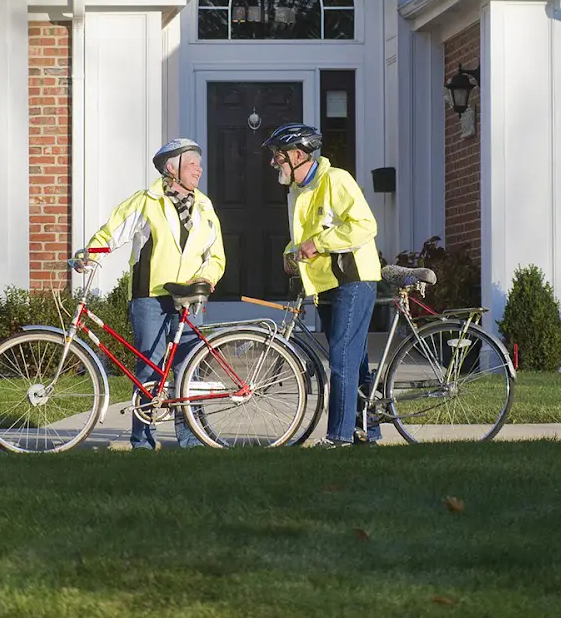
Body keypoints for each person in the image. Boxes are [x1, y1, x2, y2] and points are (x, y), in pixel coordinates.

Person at [72, 138, 225, 450]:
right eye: (192, 161)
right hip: (149, 296)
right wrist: (89, 255)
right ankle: (142, 440)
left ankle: (190, 439)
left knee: (188, 367)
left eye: (199, 161)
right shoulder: (146, 201)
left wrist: (206, 278)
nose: (199, 168)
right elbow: (109, 234)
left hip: (189, 299)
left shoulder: (206, 207)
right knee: (150, 365)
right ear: (172, 167)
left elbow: (217, 256)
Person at [262, 122, 383, 448]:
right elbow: (301, 239)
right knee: (353, 359)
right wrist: (290, 253)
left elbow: (365, 225)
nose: (275, 163)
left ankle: (339, 437)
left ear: (298, 155)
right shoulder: (298, 192)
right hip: (326, 282)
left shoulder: (336, 180)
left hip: (353, 278)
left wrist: (319, 243)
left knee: (341, 357)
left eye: (279, 156)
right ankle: (367, 431)